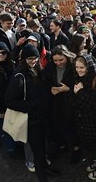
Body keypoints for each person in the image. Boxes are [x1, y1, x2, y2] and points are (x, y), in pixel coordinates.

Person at [5, 44, 58, 182]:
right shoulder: (19, 75)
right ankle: (43, 177)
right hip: (31, 120)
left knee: (43, 148)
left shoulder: (38, 69)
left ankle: (46, 170)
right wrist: (32, 105)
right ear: (23, 59)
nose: (33, 61)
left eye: (35, 58)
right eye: (29, 59)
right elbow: (10, 101)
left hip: (42, 117)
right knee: (38, 152)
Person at [43, 45, 80, 164]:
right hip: (56, 101)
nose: (58, 63)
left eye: (61, 60)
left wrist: (68, 89)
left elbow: (80, 85)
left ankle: (76, 149)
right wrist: (50, 88)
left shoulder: (73, 66)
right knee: (58, 124)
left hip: (71, 101)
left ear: (66, 57)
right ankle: (62, 146)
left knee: (72, 127)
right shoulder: (50, 66)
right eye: (55, 60)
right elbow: (46, 80)